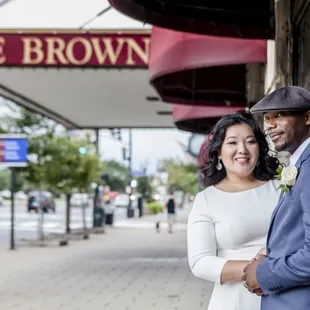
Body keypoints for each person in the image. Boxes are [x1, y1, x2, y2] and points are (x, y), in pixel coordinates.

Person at [187, 111, 280, 310]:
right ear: (219, 151)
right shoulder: (207, 200)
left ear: (259, 147)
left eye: (250, 141)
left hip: (286, 294)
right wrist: (257, 271)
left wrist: (275, 271)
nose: (242, 150)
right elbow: (200, 261)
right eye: (232, 143)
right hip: (235, 299)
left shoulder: (281, 189)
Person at [243, 86, 310, 309]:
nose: (270, 125)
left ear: (308, 117)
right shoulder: (299, 164)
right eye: (267, 118)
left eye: (280, 115)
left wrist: (264, 273)